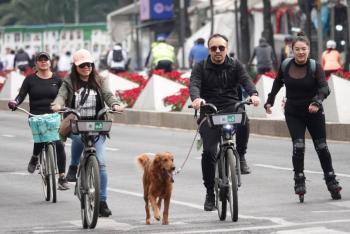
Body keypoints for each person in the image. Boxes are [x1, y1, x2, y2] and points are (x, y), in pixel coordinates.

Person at [264, 32, 342, 200]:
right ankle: (299, 180)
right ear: (292, 50)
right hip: (293, 112)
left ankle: (331, 180)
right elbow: (278, 82)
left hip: (314, 112)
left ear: (309, 50)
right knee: (298, 146)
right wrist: (269, 101)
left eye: (304, 49)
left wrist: (316, 102)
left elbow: (324, 88)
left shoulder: (315, 67)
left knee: (321, 147)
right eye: (297, 49)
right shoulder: (286, 65)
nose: (300, 52)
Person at [189, 33, 260, 211]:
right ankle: (209, 193)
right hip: (209, 110)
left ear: (227, 49)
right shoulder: (200, 66)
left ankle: (241, 155)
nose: (218, 51)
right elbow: (194, 84)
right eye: (214, 48)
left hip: (231, 107)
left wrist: (254, 94)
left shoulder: (236, 65)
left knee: (244, 119)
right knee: (209, 152)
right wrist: (197, 99)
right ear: (209, 50)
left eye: (221, 48)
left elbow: (246, 81)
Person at [51, 49, 124, 217]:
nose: (86, 67)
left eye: (89, 64)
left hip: (98, 123)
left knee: (102, 164)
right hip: (76, 122)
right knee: (77, 139)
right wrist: (57, 105)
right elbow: (61, 96)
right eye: (82, 65)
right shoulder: (69, 81)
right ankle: (74, 165)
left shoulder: (100, 80)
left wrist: (115, 105)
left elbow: (108, 95)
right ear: (75, 67)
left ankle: (102, 202)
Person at [7, 52, 69, 190]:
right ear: (36, 63)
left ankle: (62, 177)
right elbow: (20, 96)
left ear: (50, 62)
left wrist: (68, 107)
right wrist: (14, 102)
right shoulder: (30, 80)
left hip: (53, 116)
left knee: (58, 143)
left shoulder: (58, 80)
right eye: (40, 60)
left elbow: (65, 96)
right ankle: (35, 156)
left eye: (45, 60)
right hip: (35, 116)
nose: (43, 62)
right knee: (41, 138)